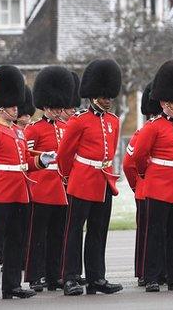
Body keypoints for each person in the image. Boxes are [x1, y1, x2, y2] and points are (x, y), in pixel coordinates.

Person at [0, 65, 53, 300]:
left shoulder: (18, 133)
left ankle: (11, 285)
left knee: (17, 242)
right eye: (12, 106)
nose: (16, 108)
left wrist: (41, 160)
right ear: (1, 108)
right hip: (1, 195)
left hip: (20, 193)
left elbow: (24, 162)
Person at [131, 59, 173, 292]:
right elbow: (139, 156)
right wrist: (146, 175)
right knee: (155, 233)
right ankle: (151, 277)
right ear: (163, 102)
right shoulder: (152, 127)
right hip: (158, 184)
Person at [57, 59, 124, 296]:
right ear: (93, 95)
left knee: (99, 230)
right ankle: (71, 277)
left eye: (109, 96)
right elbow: (64, 155)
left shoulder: (113, 121)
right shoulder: (79, 120)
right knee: (74, 230)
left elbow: (111, 150)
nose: (107, 100)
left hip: (103, 180)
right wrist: (68, 178)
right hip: (82, 179)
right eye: (103, 96)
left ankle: (97, 277)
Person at [23, 66, 74, 292]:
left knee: (57, 235)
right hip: (41, 187)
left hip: (61, 187)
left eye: (59, 107)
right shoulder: (34, 129)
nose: (57, 110)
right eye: (53, 107)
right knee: (37, 236)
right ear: (44, 106)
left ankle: (55, 275)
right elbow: (27, 158)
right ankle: (35, 276)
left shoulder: (65, 127)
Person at [123, 83, 162, 287]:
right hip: (147, 189)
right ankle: (145, 272)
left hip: (149, 189)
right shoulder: (143, 132)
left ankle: (152, 271)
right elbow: (129, 163)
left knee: (150, 233)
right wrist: (137, 184)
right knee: (149, 233)